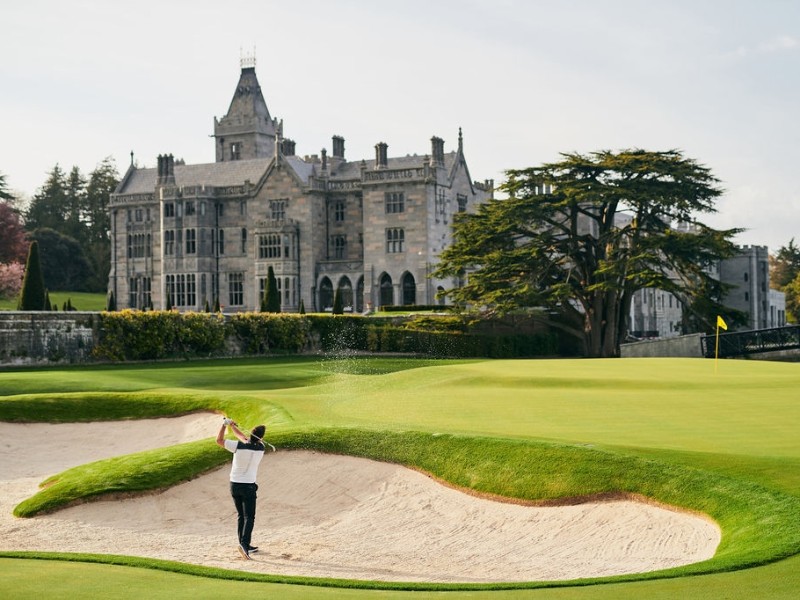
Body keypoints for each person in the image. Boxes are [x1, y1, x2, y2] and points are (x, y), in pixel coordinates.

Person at [216, 417, 266, 560]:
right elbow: (245, 438)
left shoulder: (238, 446)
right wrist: (232, 427)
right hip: (248, 487)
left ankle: (244, 544)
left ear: (250, 434)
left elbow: (219, 441)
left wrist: (225, 425)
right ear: (261, 437)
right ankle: (244, 545)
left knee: (241, 516)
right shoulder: (261, 448)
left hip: (235, 485)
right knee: (249, 516)